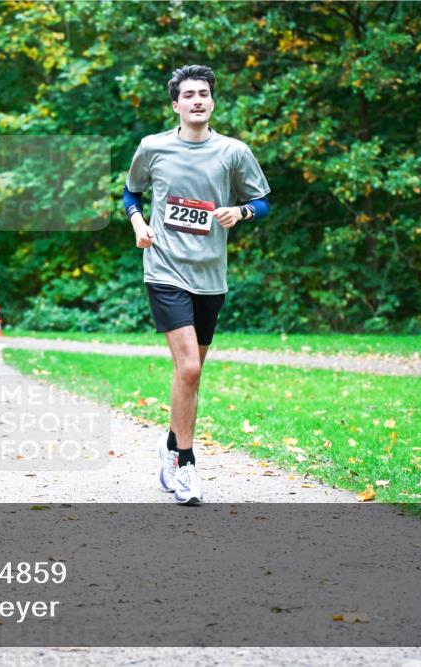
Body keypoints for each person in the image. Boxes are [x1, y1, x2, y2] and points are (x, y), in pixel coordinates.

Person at [123, 64, 271, 505]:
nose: (197, 100)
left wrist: (239, 213)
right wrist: (138, 222)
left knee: (193, 372)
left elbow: (262, 201)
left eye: (204, 93)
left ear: (213, 100)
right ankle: (185, 463)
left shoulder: (233, 151)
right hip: (165, 269)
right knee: (187, 367)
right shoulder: (153, 148)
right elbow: (131, 193)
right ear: (176, 105)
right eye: (188, 95)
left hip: (211, 277)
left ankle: (170, 445)